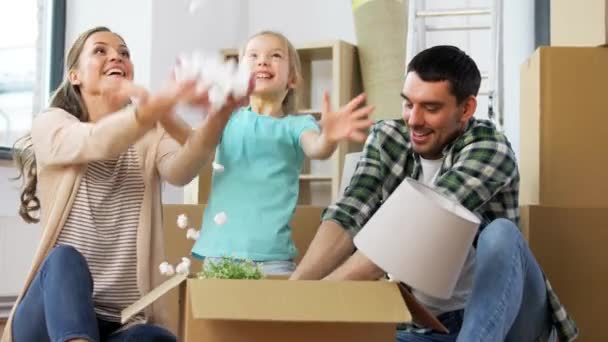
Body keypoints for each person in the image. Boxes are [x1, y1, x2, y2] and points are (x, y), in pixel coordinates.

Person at [290, 45, 578, 342]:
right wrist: (291, 294)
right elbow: (350, 212)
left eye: (430, 108)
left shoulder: (489, 148)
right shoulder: (387, 137)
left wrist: (317, 300)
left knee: (502, 233)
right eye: (408, 104)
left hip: (506, 321)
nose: (414, 120)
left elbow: (420, 225)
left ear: (465, 109)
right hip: (424, 326)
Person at [2, 26, 248, 342]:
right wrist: (154, 108)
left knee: (156, 338)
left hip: (117, 325)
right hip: (47, 320)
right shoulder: (52, 124)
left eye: (124, 52)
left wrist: (219, 117)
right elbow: (98, 141)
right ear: (75, 75)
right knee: (64, 259)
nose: (116, 56)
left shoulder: (148, 136)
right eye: (100, 50)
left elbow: (183, 168)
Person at [165, 30, 373, 276]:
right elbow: (193, 142)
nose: (263, 60)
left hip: (273, 257)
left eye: (275, 55)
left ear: (292, 79)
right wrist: (162, 110)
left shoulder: (298, 124)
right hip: (220, 252)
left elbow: (317, 149)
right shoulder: (225, 118)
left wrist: (329, 137)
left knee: (271, 313)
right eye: (253, 56)